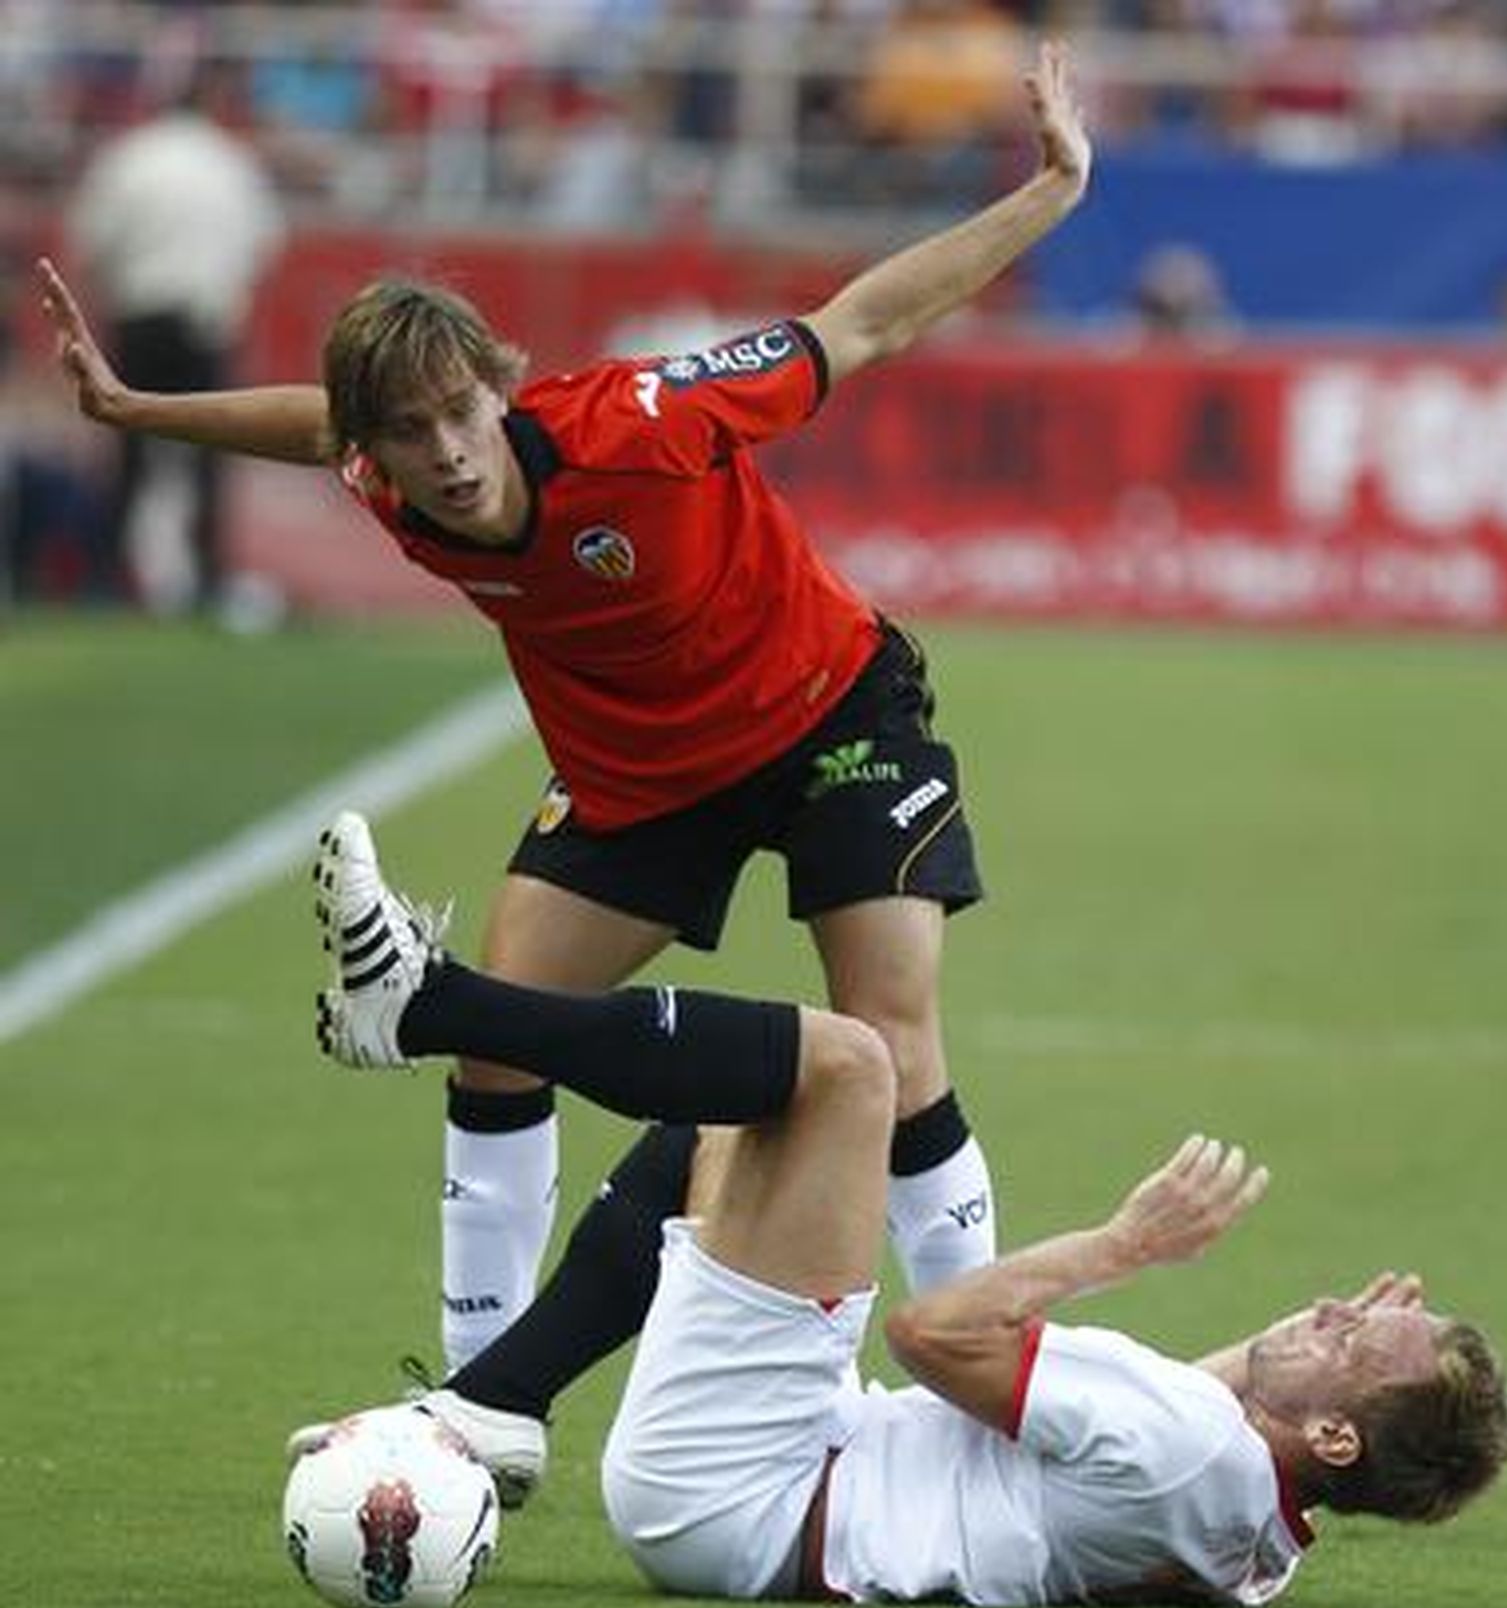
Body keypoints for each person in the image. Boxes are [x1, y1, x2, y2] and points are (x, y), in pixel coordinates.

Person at [42, 42, 1096, 1385]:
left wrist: (1048, 192)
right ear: (375, 451)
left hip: (831, 716)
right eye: (408, 433)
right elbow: (314, 424)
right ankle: (474, 1407)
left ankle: (981, 1378)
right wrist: (134, 407)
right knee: (495, 1032)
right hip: (640, 772)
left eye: (460, 413)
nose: (448, 453)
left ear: (501, 387)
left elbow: (862, 324)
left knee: (889, 1041)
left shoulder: (643, 422)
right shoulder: (383, 473)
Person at [298, 810, 1507, 1607]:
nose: (1329, 1308)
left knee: (852, 1069)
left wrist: (1122, 1244)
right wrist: (1342, 1363)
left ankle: (429, 1005)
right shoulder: (1251, 1518)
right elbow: (1180, 1418)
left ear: (1336, 1437)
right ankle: (498, 1399)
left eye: (1351, 1341)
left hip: (754, 1481)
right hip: (766, 1493)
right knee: (740, 1115)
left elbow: (931, 1334)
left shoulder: (1196, 1446)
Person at [63, 62, 285, 611]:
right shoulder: (231, 162)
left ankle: (110, 578)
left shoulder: (129, 157)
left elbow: (91, 243)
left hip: (140, 317)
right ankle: (207, 577)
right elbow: (265, 243)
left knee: (129, 448)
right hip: (205, 322)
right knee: (212, 450)